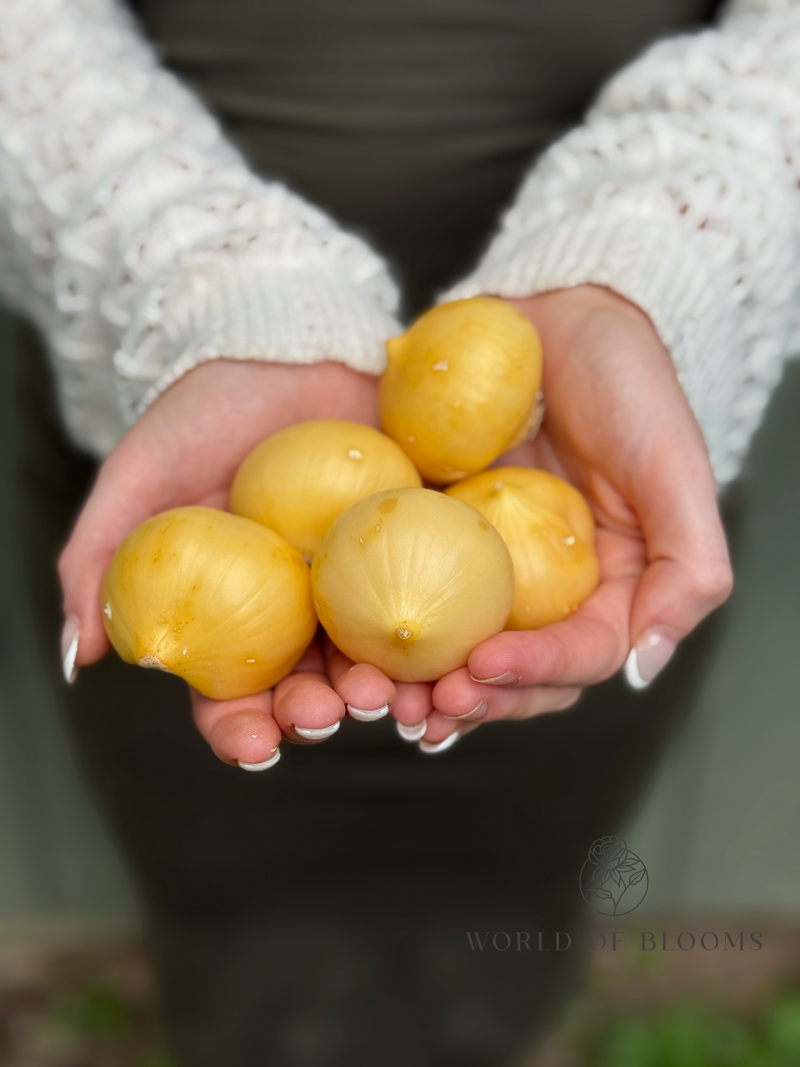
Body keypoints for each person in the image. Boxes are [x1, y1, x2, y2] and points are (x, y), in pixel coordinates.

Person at [2, 0, 798, 1062]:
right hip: (186, 426)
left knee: (496, 920)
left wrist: (648, 266)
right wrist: (206, 279)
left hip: (590, 464)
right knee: (244, 927)